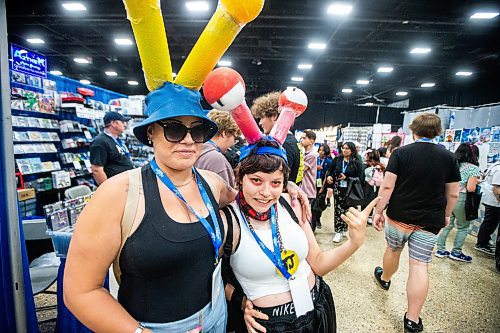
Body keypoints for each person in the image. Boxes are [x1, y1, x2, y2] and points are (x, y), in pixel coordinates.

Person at [64, 83, 311, 333]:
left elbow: (254, 198)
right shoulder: (118, 194)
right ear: (151, 132)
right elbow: (80, 291)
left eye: (198, 131)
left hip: (217, 316)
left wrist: (286, 186)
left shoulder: (212, 184)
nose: (188, 141)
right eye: (174, 129)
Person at [221, 138, 379, 333]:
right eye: (256, 180)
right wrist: (240, 301)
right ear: (240, 177)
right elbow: (208, 280)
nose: (266, 192)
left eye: (276, 183)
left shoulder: (291, 204)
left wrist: (355, 243)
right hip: (268, 324)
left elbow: (319, 263)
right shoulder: (227, 220)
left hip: (317, 307)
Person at [372, 113, 460, 333]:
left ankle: (385, 278)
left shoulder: (400, 153)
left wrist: (378, 210)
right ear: (438, 132)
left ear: (413, 130)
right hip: (430, 221)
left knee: (393, 250)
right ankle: (412, 320)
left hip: (399, 216)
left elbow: (387, 187)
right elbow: (453, 194)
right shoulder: (449, 157)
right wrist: (447, 215)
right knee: (420, 265)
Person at [436, 143, 481, 262]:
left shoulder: (452, 164)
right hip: (462, 198)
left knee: (447, 224)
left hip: (447, 197)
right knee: (463, 227)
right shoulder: (473, 168)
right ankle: (456, 252)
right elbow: (471, 188)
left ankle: (440, 249)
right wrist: (477, 182)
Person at [251, 91, 301, 183]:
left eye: (262, 117)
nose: (260, 123)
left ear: (274, 116)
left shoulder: (285, 144)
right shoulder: (288, 141)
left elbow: (278, 180)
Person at [325, 142, 364, 243]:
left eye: (347, 148)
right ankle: (338, 231)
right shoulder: (337, 159)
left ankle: (345, 229)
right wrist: (329, 176)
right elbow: (330, 170)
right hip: (338, 188)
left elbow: (360, 177)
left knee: (348, 210)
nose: (345, 150)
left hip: (350, 189)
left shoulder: (356, 161)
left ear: (352, 150)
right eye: (343, 148)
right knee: (338, 209)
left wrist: (347, 177)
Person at [195, 109, 241, 189]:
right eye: (235, 138)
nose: (233, 143)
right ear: (225, 133)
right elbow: (228, 198)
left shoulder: (193, 150)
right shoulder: (217, 160)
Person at [89, 111, 134, 185]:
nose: (124, 125)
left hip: (124, 184)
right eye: (122, 122)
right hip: (114, 187)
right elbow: (96, 169)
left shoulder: (117, 140)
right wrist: (106, 189)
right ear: (113, 123)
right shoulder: (100, 142)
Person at [474, 161, 500, 260]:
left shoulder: (496, 165)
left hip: (490, 198)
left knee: (490, 221)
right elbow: (496, 189)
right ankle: (482, 243)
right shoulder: (499, 169)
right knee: (490, 221)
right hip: (493, 200)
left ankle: (484, 241)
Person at [313, 144, 333, 229]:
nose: (321, 152)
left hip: (322, 184)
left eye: (323, 150)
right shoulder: (315, 159)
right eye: (320, 150)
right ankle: (313, 220)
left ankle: (317, 218)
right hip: (313, 183)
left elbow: (327, 174)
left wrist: (323, 187)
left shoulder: (328, 162)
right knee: (313, 202)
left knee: (320, 202)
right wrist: (315, 168)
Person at [300, 130, 318, 221]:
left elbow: (301, 169)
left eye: (304, 138)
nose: (301, 140)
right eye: (301, 138)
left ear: (311, 141)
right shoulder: (305, 153)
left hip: (308, 190)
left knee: (305, 215)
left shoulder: (312, 155)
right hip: (303, 188)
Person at [363, 149, 384, 224]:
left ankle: (367, 216)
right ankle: (369, 216)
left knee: (368, 201)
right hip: (377, 186)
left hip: (368, 186)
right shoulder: (381, 166)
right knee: (372, 200)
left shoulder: (367, 167)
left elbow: (365, 176)